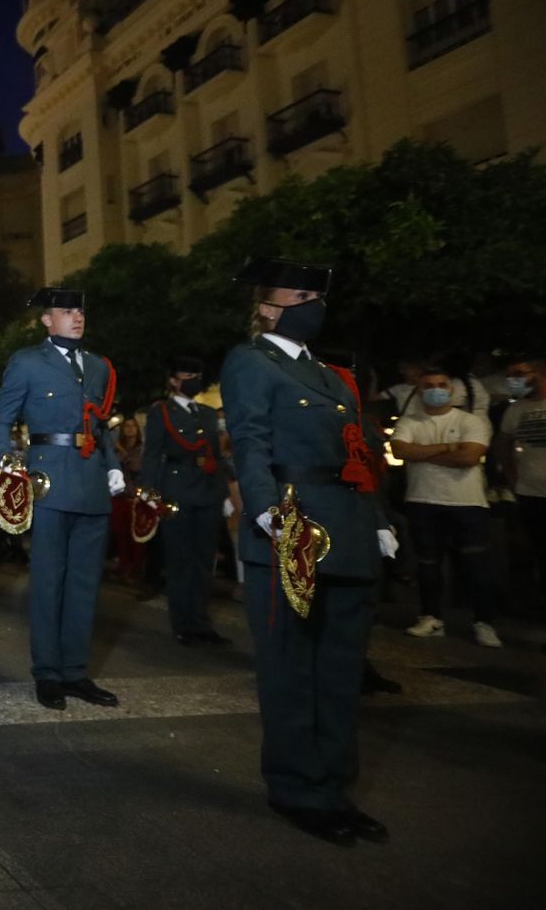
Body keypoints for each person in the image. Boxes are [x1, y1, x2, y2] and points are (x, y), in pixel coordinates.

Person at [221, 256, 396, 846]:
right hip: (291, 530)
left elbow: (356, 453)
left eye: (316, 296)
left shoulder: (328, 373)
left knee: (341, 669)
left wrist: (374, 520)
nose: (313, 306)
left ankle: (334, 788)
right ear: (268, 306)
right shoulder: (250, 361)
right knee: (292, 668)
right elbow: (249, 439)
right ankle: (297, 788)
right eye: (300, 296)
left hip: (345, 527)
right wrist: (268, 511)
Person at [0, 287, 126, 711]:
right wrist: (4, 476)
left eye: (80, 310)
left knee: (84, 585)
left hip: (90, 483)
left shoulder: (98, 366)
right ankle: (47, 673)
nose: (77, 317)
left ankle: (75, 672)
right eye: (66, 311)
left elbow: (100, 424)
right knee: (49, 582)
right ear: (47, 320)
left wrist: (113, 463)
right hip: (47, 481)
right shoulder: (28, 361)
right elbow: (2, 419)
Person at [391, 363, 498, 646]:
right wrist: (450, 448)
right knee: (427, 564)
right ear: (419, 391)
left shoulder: (470, 421)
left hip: (467, 502)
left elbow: (469, 458)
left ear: (450, 389)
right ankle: (431, 617)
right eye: (428, 386)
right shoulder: (410, 421)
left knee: (475, 565)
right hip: (422, 500)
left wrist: (422, 454)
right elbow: (400, 450)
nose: (435, 391)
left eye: (441, 385)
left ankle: (484, 622)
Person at [141, 356, 232, 647]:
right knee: (180, 561)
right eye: (187, 374)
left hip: (207, 490)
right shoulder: (162, 412)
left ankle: (201, 623)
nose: (193, 378)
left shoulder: (206, 413)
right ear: (173, 380)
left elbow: (215, 455)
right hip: (176, 489)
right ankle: (183, 623)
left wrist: (225, 492)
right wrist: (150, 492)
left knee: (204, 561)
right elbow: (153, 454)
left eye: (197, 373)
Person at [498, 357, 546, 597]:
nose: (514, 380)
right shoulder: (516, 409)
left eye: (519, 373)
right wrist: (514, 480)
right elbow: (504, 447)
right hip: (530, 493)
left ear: (538, 372)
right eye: (510, 375)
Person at [108, 416, 147, 583]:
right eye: (127, 426)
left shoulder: (141, 449)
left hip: (134, 498)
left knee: (136, 536)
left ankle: (137, 568)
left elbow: (137, 467)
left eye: (133, 426)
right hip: (119, 496)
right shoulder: (116, 450)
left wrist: (123, 453)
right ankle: (124, 565)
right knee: (121, 533)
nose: (130, 429)